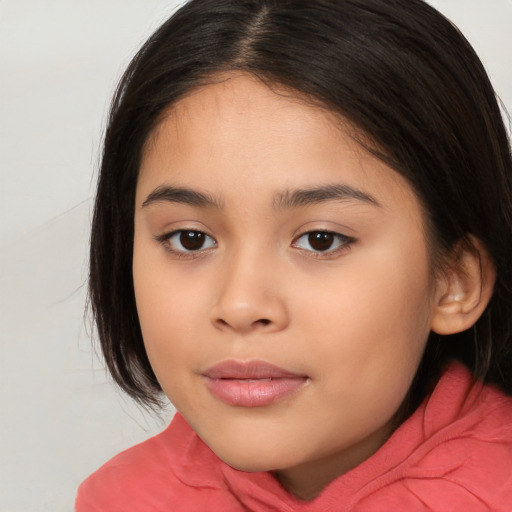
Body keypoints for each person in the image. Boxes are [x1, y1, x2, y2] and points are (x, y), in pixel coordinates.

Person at [75, 0, 512, 509]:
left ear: (455, 282)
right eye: (190, 238)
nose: (240, 305)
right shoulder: (122, 497)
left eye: (320, 240)